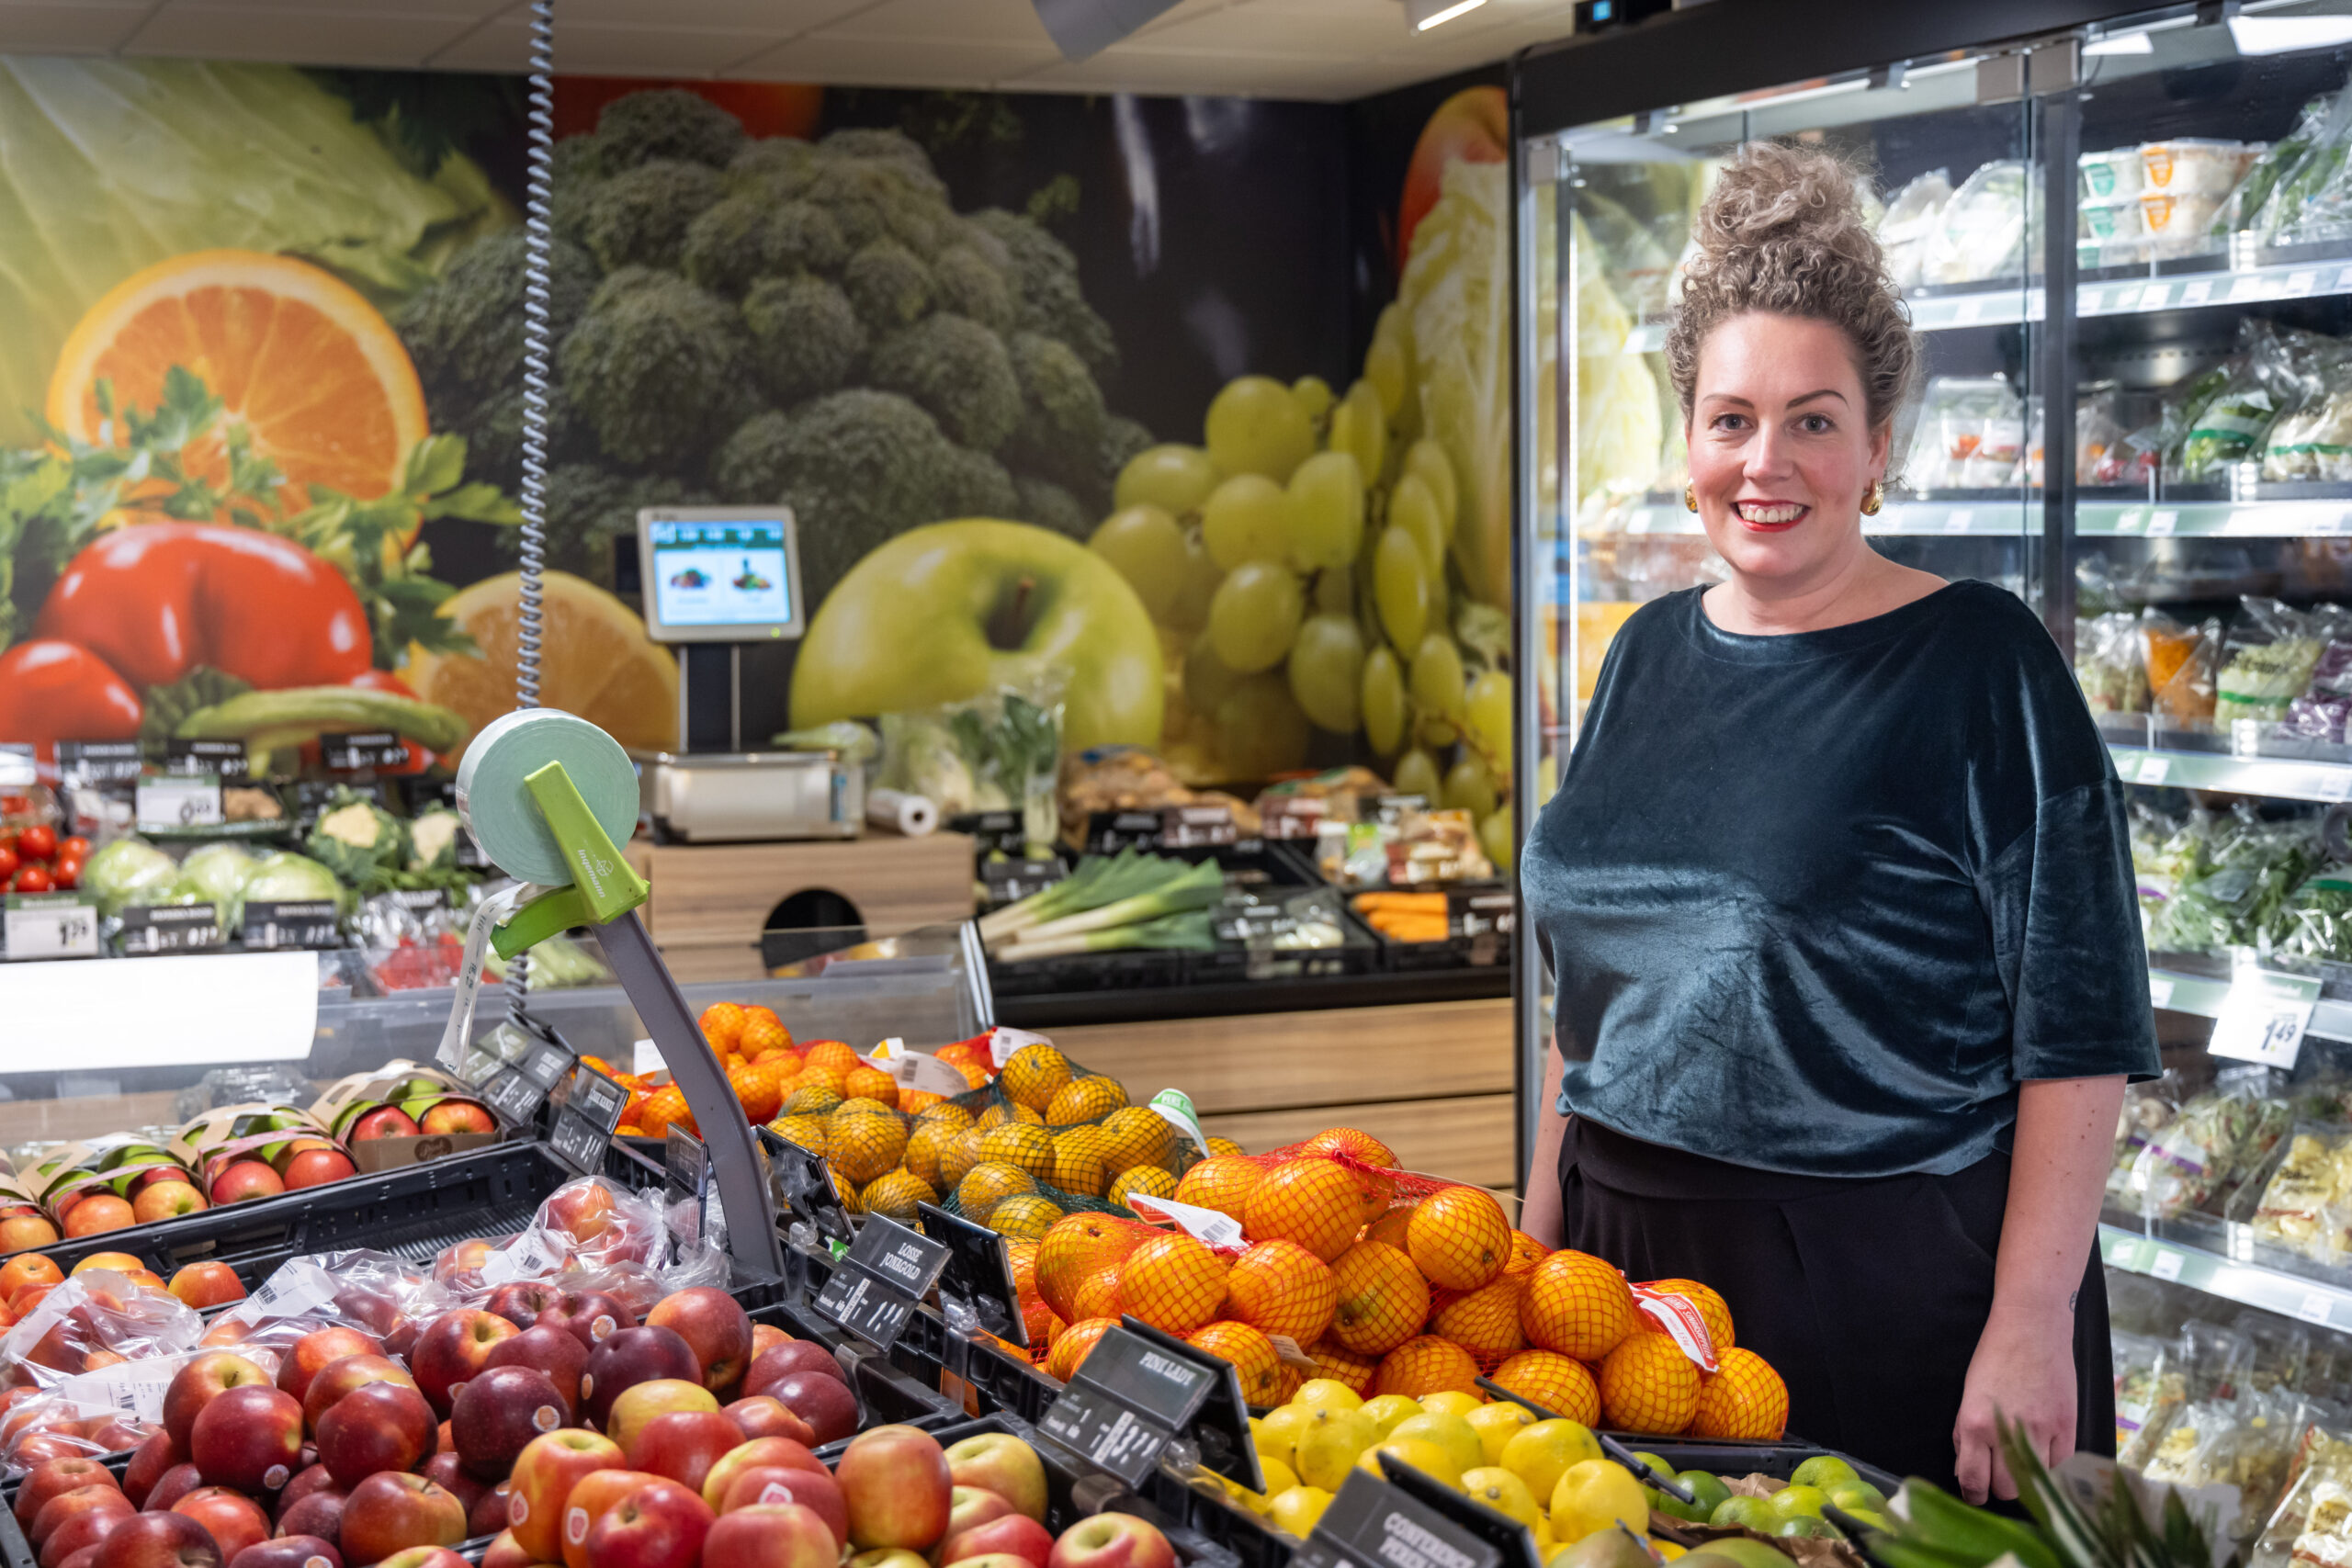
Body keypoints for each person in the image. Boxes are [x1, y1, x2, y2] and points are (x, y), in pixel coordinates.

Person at [1518, 141, 2158, 1505]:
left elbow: (2082, 1028)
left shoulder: (1979, 663)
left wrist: (2031, 1318)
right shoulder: (1643, 652)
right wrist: (1534, 1250)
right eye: (1731, 419)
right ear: (1689, 441)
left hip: (1876, 1283)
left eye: (1813, 421)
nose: (1766, 462)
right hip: (1622, 1284)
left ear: (1878, 448)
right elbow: (1586, 1019)